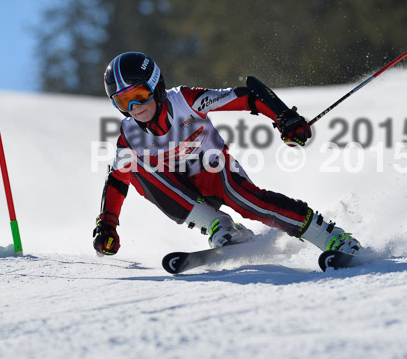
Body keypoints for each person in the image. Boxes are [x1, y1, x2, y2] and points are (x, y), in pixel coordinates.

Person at [93, 52, 361, 260]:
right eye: (122, 102)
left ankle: (331, 237)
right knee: (133, 165)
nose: (134, 108)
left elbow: (247, 97)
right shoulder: (129, 133)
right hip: (181, 190)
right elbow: (117, 180)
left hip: (216, 172)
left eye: (138, 95)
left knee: (246, 199)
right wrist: (108, 224)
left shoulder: (186, 100)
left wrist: (284, 117)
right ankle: (218, 225)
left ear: (155, 86)